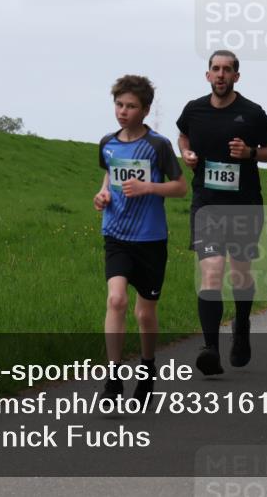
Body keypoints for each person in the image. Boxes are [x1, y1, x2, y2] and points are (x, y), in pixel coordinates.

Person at [177, 50, 267, 375]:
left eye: (227, 70)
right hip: (206, 205)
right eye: (215, 69)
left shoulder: (251, 113)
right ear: (208, 75)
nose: (220, 75)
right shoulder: (194, 110)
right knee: (211, 272)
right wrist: (186, 153)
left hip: (244, 205)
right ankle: (210, 348)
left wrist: (250, 152)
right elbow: (182, 135)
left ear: (236, 76)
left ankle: (242, 324)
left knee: (239, 274)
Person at [94, 75, 186, 402]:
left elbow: (180, 186)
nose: (123, 111)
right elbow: (109, 174)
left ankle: (147, 371)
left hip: (150, 239)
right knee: (116, 300)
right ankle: (113, 379)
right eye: (119, 104)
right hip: (116, 234)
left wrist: (149, 187)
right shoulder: (108, 142)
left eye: (131, 106)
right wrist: (103, 194)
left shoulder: (158, 146)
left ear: (145, 110)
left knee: (145, 314)